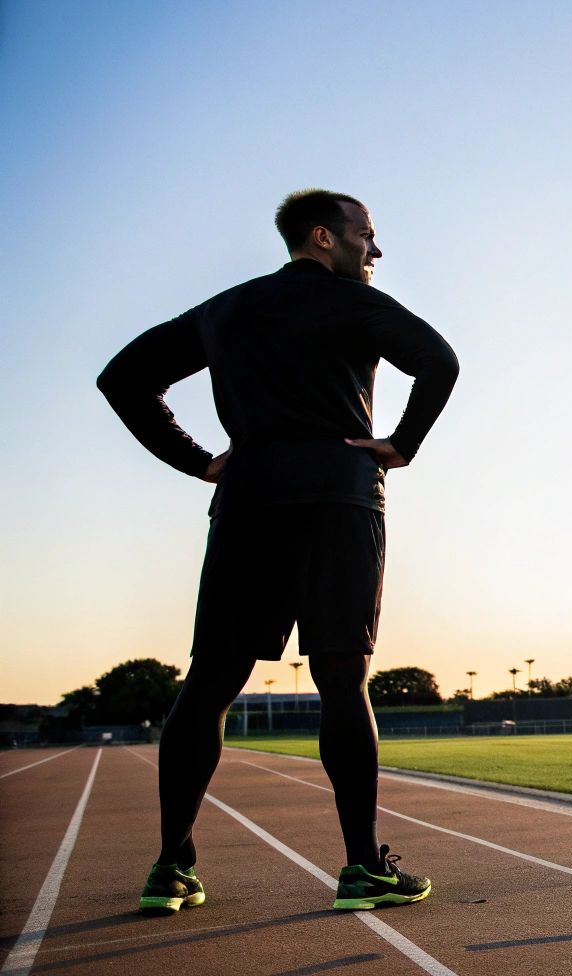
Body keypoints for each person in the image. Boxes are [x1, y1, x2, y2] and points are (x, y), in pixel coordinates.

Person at [98, 190, 458, 915]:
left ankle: (171, 866)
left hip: (250, 499)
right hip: (339, 494)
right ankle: (361, 867)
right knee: (341, 679)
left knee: (211, 683)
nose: (376, 253)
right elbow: (440, 362)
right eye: (368, 236)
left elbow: (122, 378)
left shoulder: (225, 309)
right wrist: (401, 446)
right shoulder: (355, 303)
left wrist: (199, 461)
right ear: (323, 237)